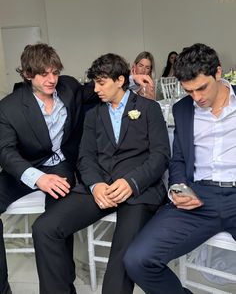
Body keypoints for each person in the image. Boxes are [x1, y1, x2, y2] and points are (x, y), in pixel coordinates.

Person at [32, 52, 170, 294]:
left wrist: (132, 182)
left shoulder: (149, 109)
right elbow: (85, 156)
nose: (95, 89)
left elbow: (160, 156)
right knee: (45, 228)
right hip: (99, 188)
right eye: (94, 82)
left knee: (122, 254)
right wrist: (95, 185)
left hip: (138, 191)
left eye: (101, 82)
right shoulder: (94, 115)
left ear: (120, 80)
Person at [124, 43, 236, 294]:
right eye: (189, 91)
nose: (197, 98)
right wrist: (178, 188)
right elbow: (178, 159)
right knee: (137, 260)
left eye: (201, 88)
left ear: (218, 73)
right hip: (199, 197)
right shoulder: (182, 108)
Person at [0, 43, 98, 294]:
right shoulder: (9, 107)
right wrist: (38, 178)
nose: (52, 79)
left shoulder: (69, 87)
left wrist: (130, 78)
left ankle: (62, 286)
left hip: (61, 165)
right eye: (44, 74)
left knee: (55, 220)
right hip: (25, 166)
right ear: (27, 74)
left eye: (55, 72)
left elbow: (96, 90)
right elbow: (5, 152)